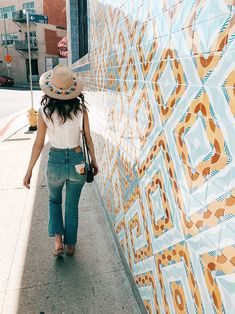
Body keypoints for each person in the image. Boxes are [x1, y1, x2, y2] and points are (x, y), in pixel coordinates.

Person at [23, 65, 98, 257]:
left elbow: (39, 144)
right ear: (71, 88)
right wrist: (94, 160)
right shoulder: (81, 109)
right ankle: (70, 244)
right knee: (71, 205)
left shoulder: (44, 111)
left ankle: (58, 242)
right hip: (77, 161)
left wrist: (29, 170)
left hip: (55, 162)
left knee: (54, 201)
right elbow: (88, 138)